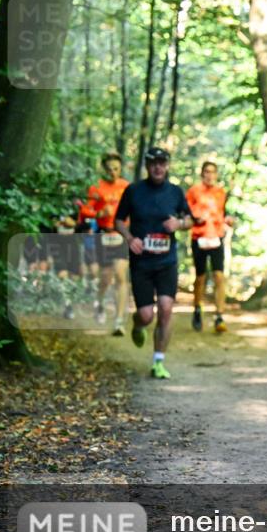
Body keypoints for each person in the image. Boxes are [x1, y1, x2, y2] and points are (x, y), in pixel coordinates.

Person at [114, 147, 193, 379]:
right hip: (142, 263)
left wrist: (178, 224)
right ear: (147, 166)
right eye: (153, 163)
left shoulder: (176, 192)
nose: (158, 167)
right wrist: (129, 239)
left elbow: (189, 219)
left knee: (166, 309)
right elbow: (118, 220)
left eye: (162, 163)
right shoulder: (133, 191)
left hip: (167, 261)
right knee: (147, 315)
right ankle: (138, 325)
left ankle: (158, 361)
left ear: (167, 166)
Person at [186, 161, 234, 334]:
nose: (210, 175)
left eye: (213, 172)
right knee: (200, 277)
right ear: (202, 173)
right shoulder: (193, 191)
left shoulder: (220, 192)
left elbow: (224, 212)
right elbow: (186, 212)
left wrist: (228, 219)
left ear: (216, 174)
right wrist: (195, 218)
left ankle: (219, 315)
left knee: (219, 276)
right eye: (206, 172)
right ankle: (197, 309)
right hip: (199, 237)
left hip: (216, 237)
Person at [87, 152, 131, 335]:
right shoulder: (96, 187)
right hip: (104, 235)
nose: (113, 172)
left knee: (121, 275)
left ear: (121, 169)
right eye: (109, 169)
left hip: (121, 235)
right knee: (105, 277)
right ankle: (100, 300)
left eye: (116, 169)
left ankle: (119, 320)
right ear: (103, 169)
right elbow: (86, 211)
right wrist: (99, 214)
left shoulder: (127, 187)